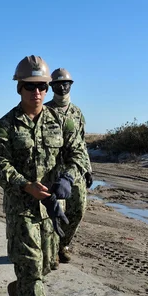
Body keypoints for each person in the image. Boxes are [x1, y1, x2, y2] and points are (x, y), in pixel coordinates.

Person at [0, 55, 90, 296]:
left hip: (50, 209)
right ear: (19, 88)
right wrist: (23, 184)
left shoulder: (60, 121)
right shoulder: (5, 126)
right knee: (32, 266)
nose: (37, 93)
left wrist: (67, 178)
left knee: (46, 266)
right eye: (30, 87)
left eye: (42, 87)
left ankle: (17, 290)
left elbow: (78, 154)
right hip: (21, 208)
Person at [45, 68, 93, 265]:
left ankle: (64, 244)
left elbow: (81, 143)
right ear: (52, 86)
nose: (62, 86)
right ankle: (53, 251)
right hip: (54, 172)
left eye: (66, 83)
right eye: (58, 84)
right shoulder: (45, 110)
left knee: (78, 209)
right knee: (56, 212)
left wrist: (88, 168)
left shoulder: (77, 112)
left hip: (76, 170)